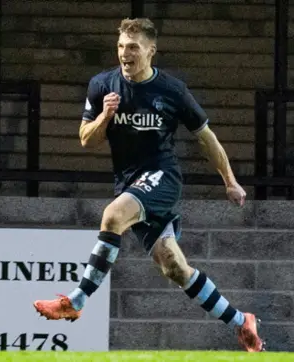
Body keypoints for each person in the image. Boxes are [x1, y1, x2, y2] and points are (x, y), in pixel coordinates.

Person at [33, 18, 264, 352]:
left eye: (133, 48)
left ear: (151, 51)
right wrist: (104, 117)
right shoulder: (102, 85)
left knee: (112, 217)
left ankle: (76, 300)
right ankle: (242, 321)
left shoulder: (172, 91)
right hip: (129, 182)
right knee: (174, 267)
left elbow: (206, 138)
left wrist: (230, 181)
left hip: (162, 176)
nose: (125, 54)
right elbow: (86, 139)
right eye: (121, 47)